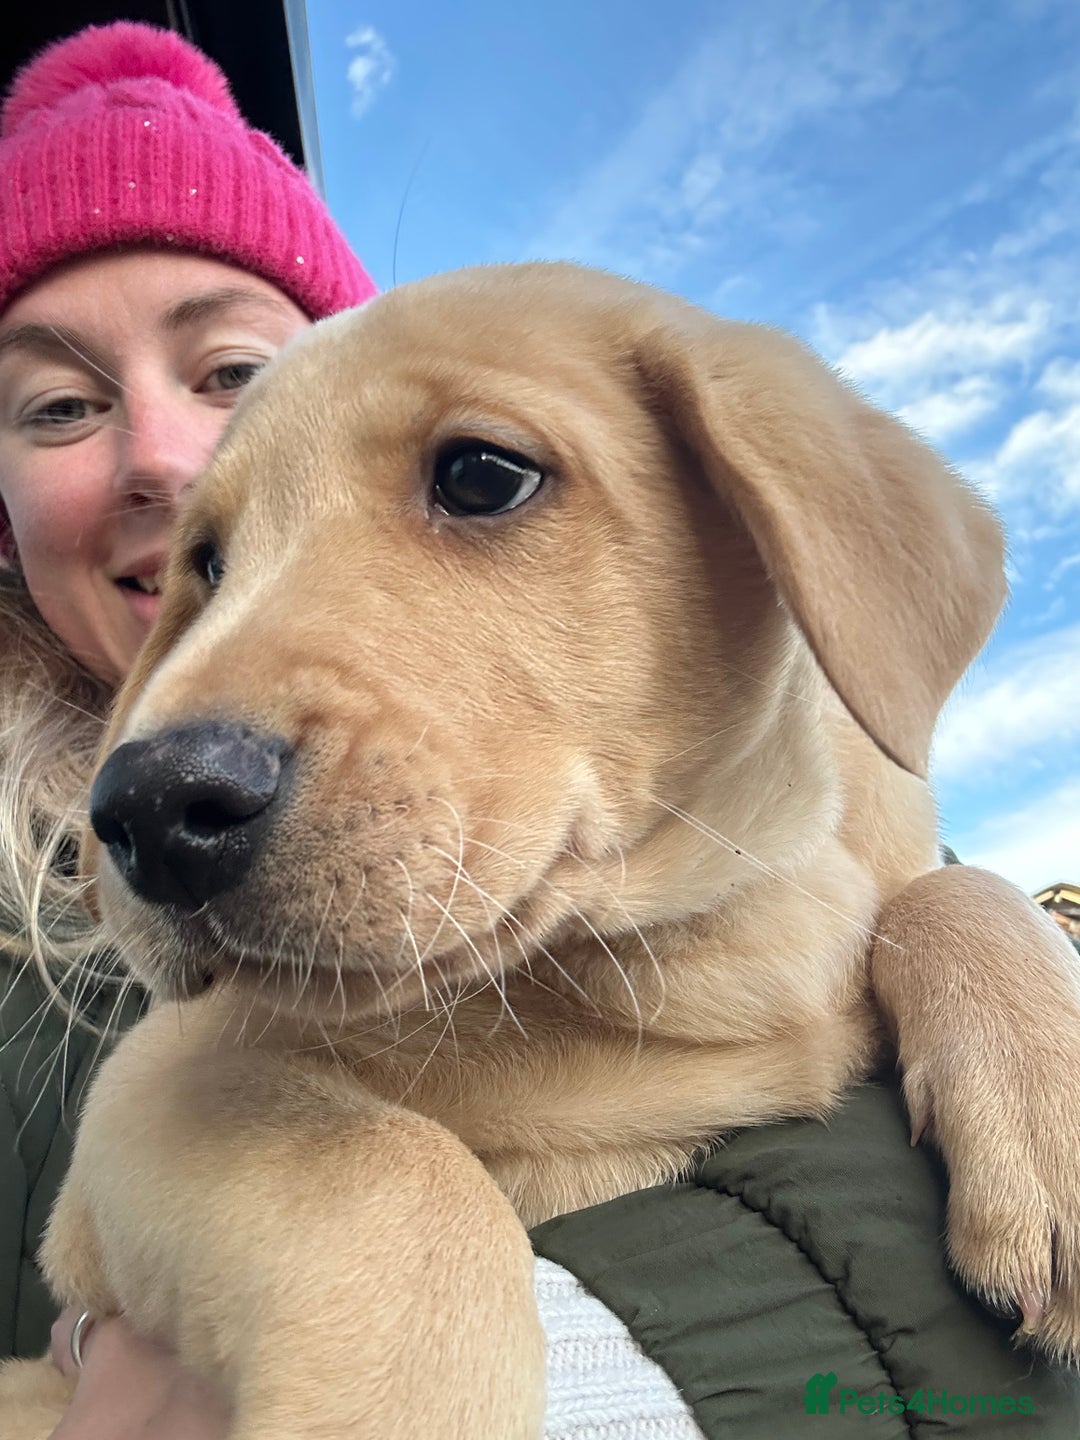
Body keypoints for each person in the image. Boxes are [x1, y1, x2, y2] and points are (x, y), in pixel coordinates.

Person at [1, 21, 1078, 1440]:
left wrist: (973, 935)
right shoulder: (72, 962)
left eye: (481, 477)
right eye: (59, 404)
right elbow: (160, 1131)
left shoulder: (842, 833)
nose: (158, 455)